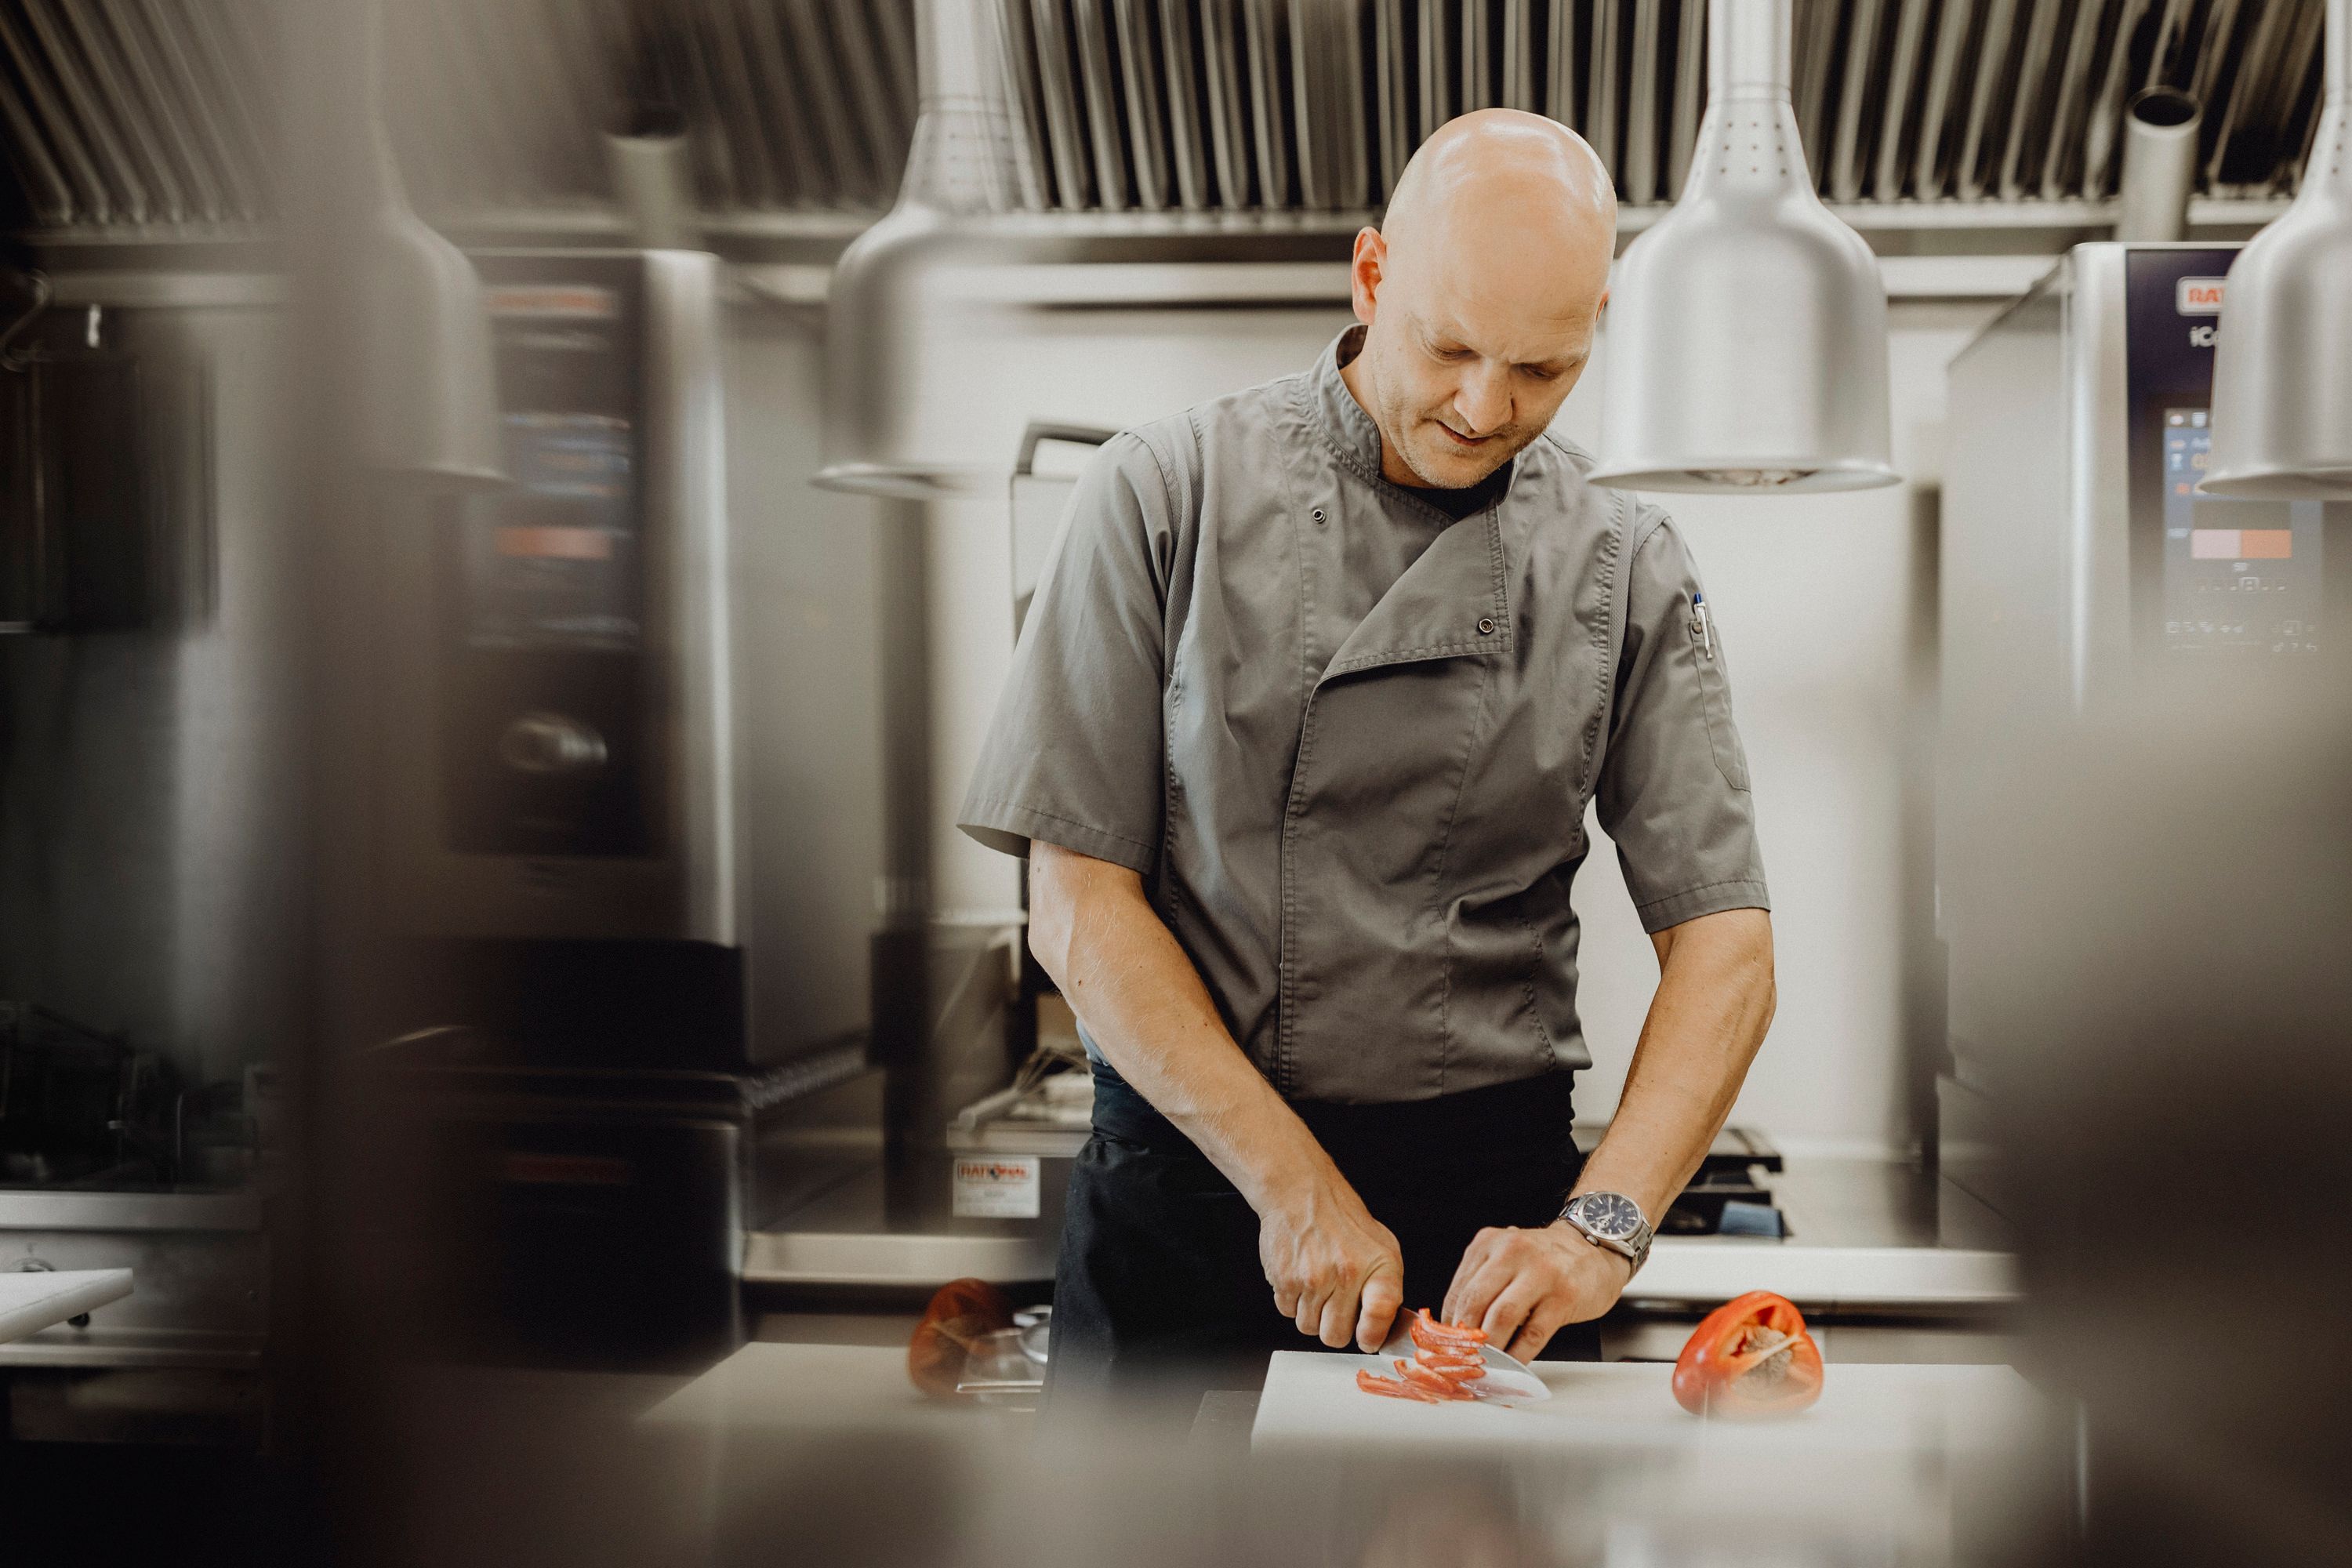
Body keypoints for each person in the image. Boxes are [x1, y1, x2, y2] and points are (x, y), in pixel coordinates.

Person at [958, 110, 1777, 1402]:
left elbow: (1725, 942)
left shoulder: (1624, 563)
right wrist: (1290, 1183)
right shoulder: (1161, 493)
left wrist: (1600, 1232)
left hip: (1482, 1231)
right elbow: (1075, 901)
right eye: (1450, 346)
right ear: (1372, 274)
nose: (1484, 405)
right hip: (1188, 1181)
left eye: (1544, 370)